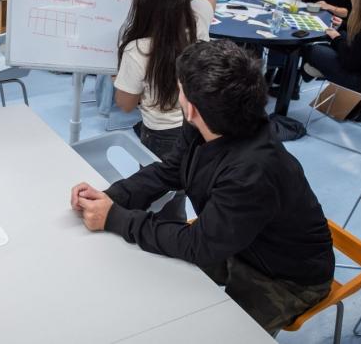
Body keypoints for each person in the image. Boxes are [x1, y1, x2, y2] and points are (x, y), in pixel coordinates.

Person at [70, 40, 334, 334]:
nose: (177, 92)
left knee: (213, 332)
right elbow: (170, 170)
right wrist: (111, 198)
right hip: (235, 240)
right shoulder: (210, 123)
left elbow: (200, 245)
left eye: (180, 87)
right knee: (150, 283)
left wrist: (115, 218)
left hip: (285, 276)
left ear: (191, 108)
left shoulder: (252, 172)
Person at [114, 0, 216, 221]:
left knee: (154, 199)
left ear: (142, 0)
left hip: (161, 136)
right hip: (199, 129)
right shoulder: (199, 22)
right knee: (179, 191)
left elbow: (125, 104)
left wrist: (121, 78)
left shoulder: (138, 49)